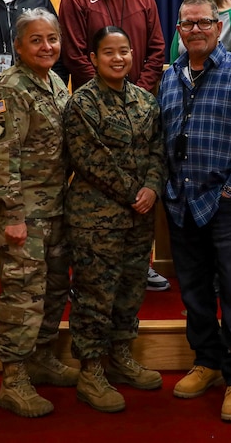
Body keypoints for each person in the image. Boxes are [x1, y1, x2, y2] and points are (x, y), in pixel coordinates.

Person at [159, 0, 231, 422]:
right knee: (194, 291)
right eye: (187, 25)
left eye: (204, 23)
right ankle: (206, 361)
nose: (196, 31)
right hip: (181, 202)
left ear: (219, 26)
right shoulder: (170, 78)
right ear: (179, 31)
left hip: (226, 203)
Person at [59, 0, 169, 292]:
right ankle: (89, 271)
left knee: (139, 182)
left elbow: (155, 51)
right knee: (102, 179)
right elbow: (75, 54)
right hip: (95, 109)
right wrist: (108, 92)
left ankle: (142, 261)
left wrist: (133, 95)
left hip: (138, 108)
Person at [63, 26, 167, 413]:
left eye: (124, 51)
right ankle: (90, 371)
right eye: (109, 52)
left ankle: (120, 358)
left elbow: (159, 149)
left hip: (139, 218)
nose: (118, 58)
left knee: (129, 290)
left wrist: (152, 187)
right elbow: (91, 159)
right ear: (93, 58)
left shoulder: (145, 100)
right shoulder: (82, 103)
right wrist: (133, 193)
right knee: (95, 296)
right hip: (96, 219)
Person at [0, 9, 77, 418]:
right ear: (18, 46)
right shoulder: (10, 88)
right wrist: (13, 215)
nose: (46, 46)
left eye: (52, 39)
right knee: (23, 294)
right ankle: (15, 378)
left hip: (55, 208)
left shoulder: (55, 82)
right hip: (24, 213)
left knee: (54, 289)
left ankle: (41, 358)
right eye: (36, 40)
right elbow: (2, 157)